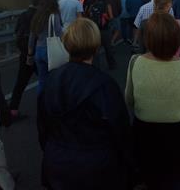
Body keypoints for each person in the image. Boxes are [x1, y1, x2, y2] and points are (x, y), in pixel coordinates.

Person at [37, 18, 132, 190]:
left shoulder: (51, 81)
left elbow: (43, 126)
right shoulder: (105, 84)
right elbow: (120, 130)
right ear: (96, 46)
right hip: (98, 166)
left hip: (57, 161)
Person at [125, 13, 180, 190]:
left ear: (148, 38)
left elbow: (129, 99)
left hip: (145, 134)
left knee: (149, 179)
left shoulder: (135, 62)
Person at [10, 0, 43, 118]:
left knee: (20, 83)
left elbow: (16, 32)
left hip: (25, 54)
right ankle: (52, 108)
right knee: (47, 80)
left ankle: (13, 110)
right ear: (40, 3)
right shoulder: (40, 16)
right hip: (37, 52)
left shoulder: (23, 15)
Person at [29, 0, 63, 93]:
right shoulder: (54, 15)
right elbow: (59, 33)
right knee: (56, 80)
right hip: (51, 51)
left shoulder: (37, 15)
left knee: (42, 80)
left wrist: (30, 54)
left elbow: (32, 36)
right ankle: (54, 104)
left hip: (38, 51)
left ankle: (41, 104)